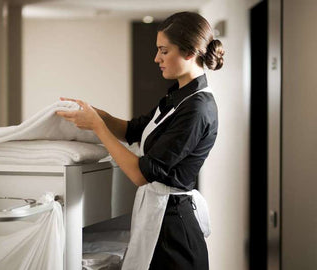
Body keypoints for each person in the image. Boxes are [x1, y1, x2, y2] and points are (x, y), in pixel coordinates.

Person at [56, 11, 224, 270]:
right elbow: (133, 130)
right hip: (163, 219)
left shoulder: (198, 108)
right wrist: (96, 113)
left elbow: (142, 174)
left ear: (189, 52)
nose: (157, 58)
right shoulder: (179, 96)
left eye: (163, 51)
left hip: (175, 231)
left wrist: (98, 127)